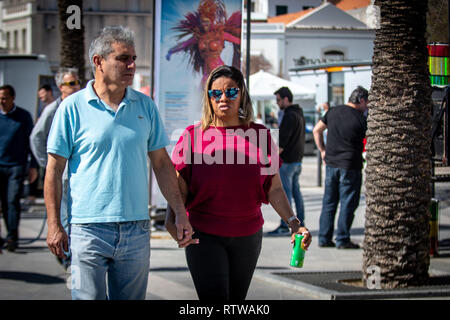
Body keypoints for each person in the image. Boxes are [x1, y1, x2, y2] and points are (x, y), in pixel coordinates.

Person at [44, 25, 193, 300]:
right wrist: (54, 224)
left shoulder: (145, 106)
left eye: (133, 58)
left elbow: (161, 164)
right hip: (87, 229)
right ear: (98, 62)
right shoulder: (72, 108)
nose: (132, 65)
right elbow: (54, 170)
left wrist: (180, 213)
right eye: (123, 58)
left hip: (136, 228)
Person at [165, 65, 311, 301]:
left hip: (248, 236)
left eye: (231, 92)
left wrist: (294, 224)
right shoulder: (192, 136)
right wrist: (172, 218)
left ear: (242, 95)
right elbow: (179, 187)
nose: (224, 98)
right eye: (216, 93)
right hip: (204, 235)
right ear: (209, 98)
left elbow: (274, 189)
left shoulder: (261, 136)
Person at [30, 67, 81, 269]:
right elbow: (36, 138)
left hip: (77, 173)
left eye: (77, 82)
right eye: (70, 83)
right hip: (62, 174)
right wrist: (48, 165)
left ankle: (73, 253)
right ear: (60, 87)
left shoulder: (79, 106)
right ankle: (68, 257)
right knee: (66, 215)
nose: (76, 86)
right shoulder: (54, 109)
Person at [313, 86, 368, 249]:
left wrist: (322, 150)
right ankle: (342, 239)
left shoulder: (333, 111)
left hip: (331, 165)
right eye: (367, 103)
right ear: (362, 100)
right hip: (350, 166)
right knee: (348, 203)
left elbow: (317, 130)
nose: (367, 107)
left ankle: (324, 238)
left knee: (329, 203)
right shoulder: (361, 119)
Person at [0, 84, 35, 252]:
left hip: (16, 166)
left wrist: (33, 166)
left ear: (13, 98)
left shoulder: (23, 117)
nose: (2, 101)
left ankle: (12, 236)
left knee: (12, 201)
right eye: (0, 98)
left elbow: (32, 142)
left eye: (5, 98)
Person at [268, 87, 306, 236]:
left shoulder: (289, 115)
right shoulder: (299, 114)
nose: (277, 103)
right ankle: (300, 222)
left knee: (285, 194)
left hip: (288, 161)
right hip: (297, 161)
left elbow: (282, 143)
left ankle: (286, 225)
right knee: (296, 193)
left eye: (278, 100)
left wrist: (272, 160)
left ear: (285, 99)